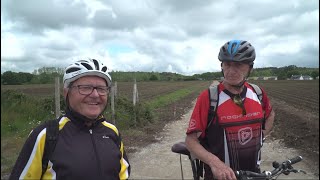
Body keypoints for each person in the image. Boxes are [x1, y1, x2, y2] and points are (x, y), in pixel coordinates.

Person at [9, 58, 130, 180]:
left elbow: (123, 175)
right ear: (66, 93)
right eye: (85, 87)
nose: (95, 95)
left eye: (101, 89)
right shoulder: (46, 136)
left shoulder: (112, 131)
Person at [185, 40, 275, 180]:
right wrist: (215, 163)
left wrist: (261, 136)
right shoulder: (209, 97)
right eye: (227, 64)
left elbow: (270, 115)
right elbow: (190, 140)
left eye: (238, 65)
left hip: (254, 174)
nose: (231, 71)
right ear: (222, 66)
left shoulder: (257, 93)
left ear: (250, 68)